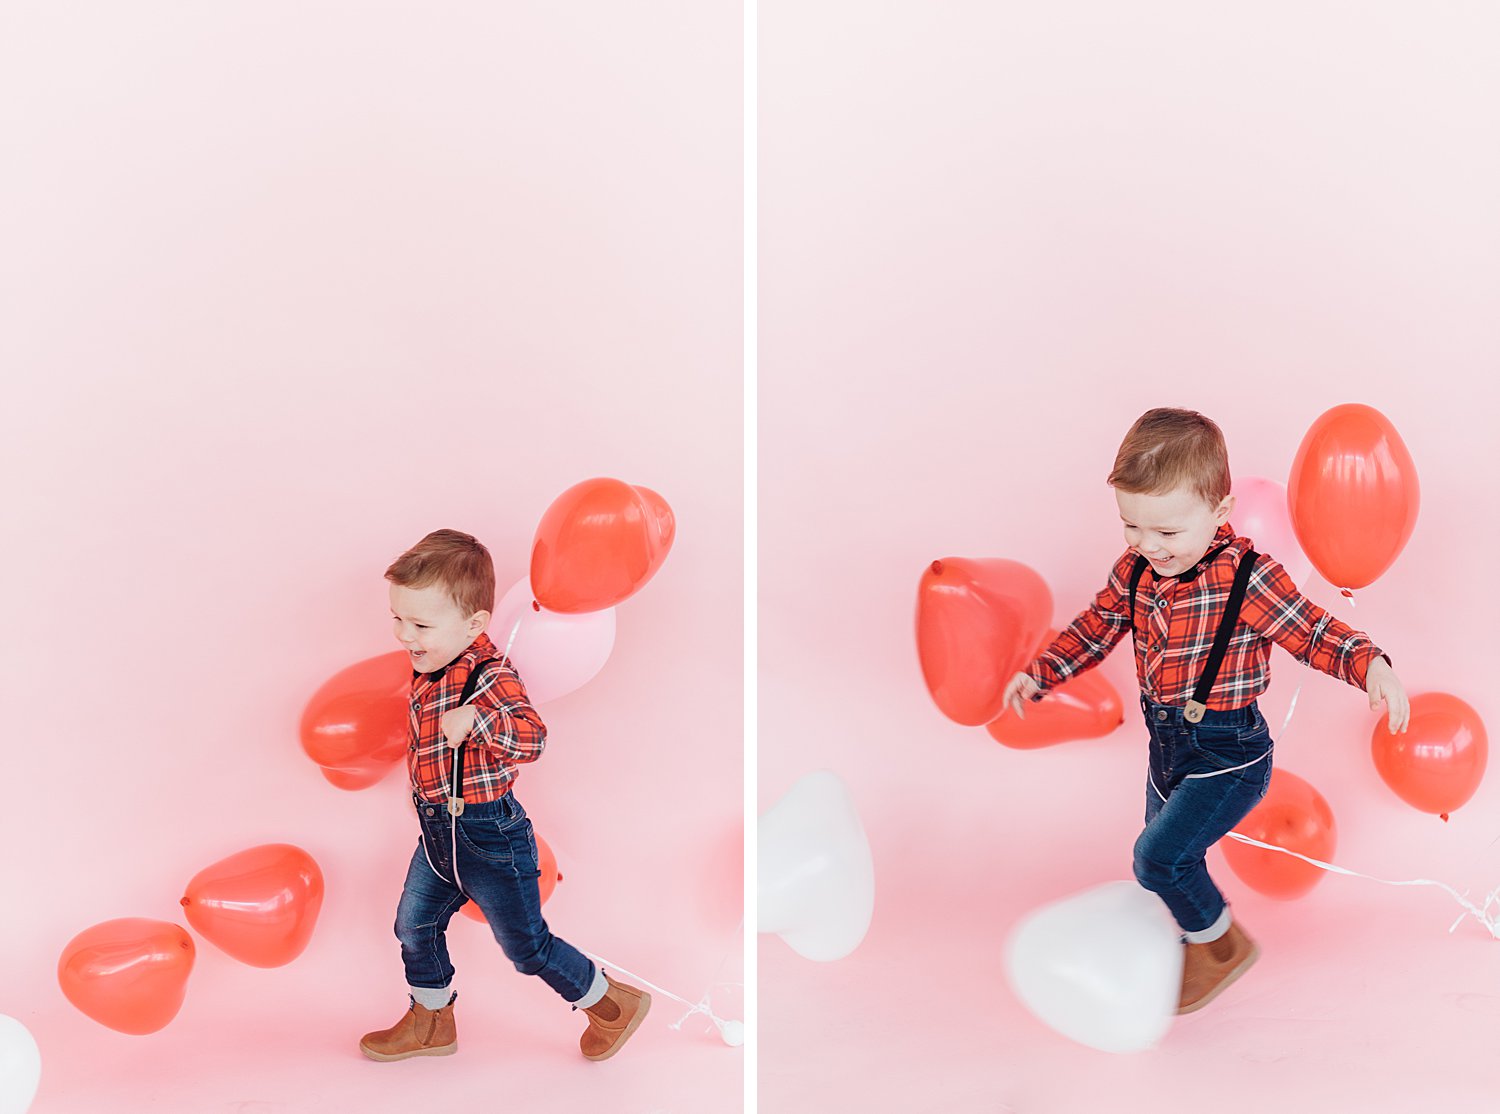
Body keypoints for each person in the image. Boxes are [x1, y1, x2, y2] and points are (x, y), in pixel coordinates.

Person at [1002, 408, 1410, 1014]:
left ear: (1219, 513)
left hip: (1230, 751)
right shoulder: (1136, 570)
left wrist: (1370, 663)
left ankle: (1221, 943)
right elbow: (1095, 628)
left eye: (1167, 533)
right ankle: (1179, 946)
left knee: (1158, 858)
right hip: (1165, 746)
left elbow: (1312, 631)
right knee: (1156, 859)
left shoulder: (1246, 578)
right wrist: (1043, 671)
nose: (1147, 545)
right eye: (1131, 526)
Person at [359, 528, 650, 1061]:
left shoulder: (491, 676)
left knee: (526, 946)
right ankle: (431, 1024)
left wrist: (481, 719)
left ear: (474, 625)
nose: (405, 634)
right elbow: (428, 740)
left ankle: (611, 1005)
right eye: (398, 618)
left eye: (420, 624)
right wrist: (420, 785)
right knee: (413, 924)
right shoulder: (429, 665)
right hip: (437, 831)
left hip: (489, 835)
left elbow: (532, 739)